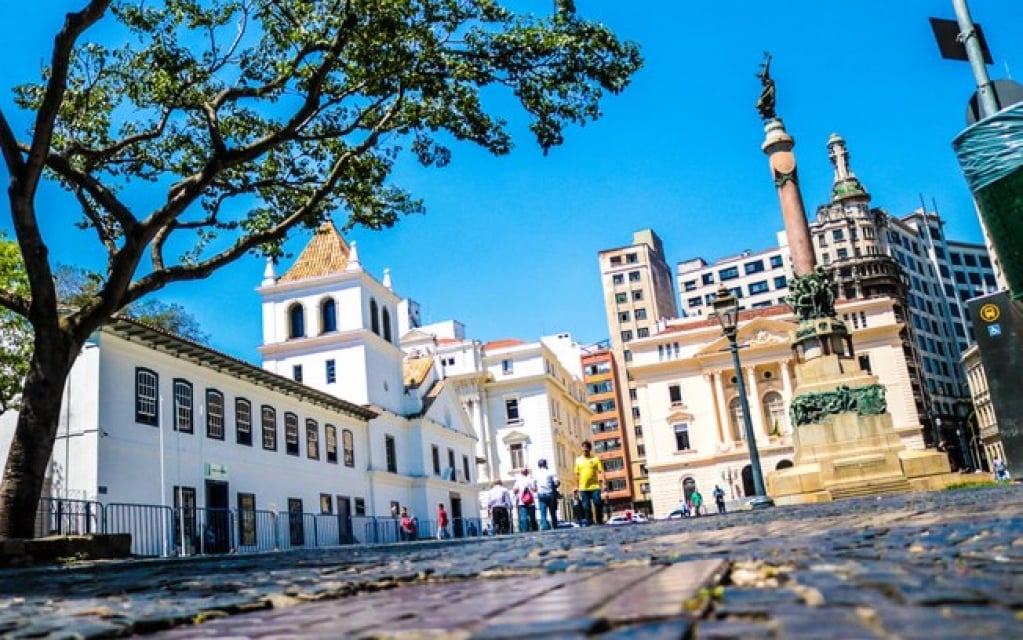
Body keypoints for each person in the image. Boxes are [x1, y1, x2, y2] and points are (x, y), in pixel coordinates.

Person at [574, 440, 604, 526]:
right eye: (583, 450)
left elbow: (601, 472)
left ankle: (599, 520)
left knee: (598, 503)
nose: (584, 452)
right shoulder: (578, 460)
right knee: (586, 506)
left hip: (595, 486)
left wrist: (604, 484)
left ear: (589, 449)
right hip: (583, 487)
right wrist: (576, 487)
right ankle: (590, 521)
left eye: (586, 450)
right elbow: (576, 474)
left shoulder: (595, 459)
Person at [535, 458, 560, 530]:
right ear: (545, 464)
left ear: (539, 465)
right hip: (550, 494)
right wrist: (554, 487)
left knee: (543, 512)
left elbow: (534, 485)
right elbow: (556, 482)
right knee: (552, 511)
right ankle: (554, 526)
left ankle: (544, 527)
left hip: (541, 494)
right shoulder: (550, 472)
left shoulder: (536, 473)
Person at [513, 467, 539, 533]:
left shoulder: (518, 480)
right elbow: (535, 489)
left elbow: (515, 490)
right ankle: (534, 529)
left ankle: (525, 531)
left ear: (521, 473)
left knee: (523, 517)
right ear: (527, 472)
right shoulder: (531, 479)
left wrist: (519, 491)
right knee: (532, 517)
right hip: (531, 502)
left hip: (522, 502)